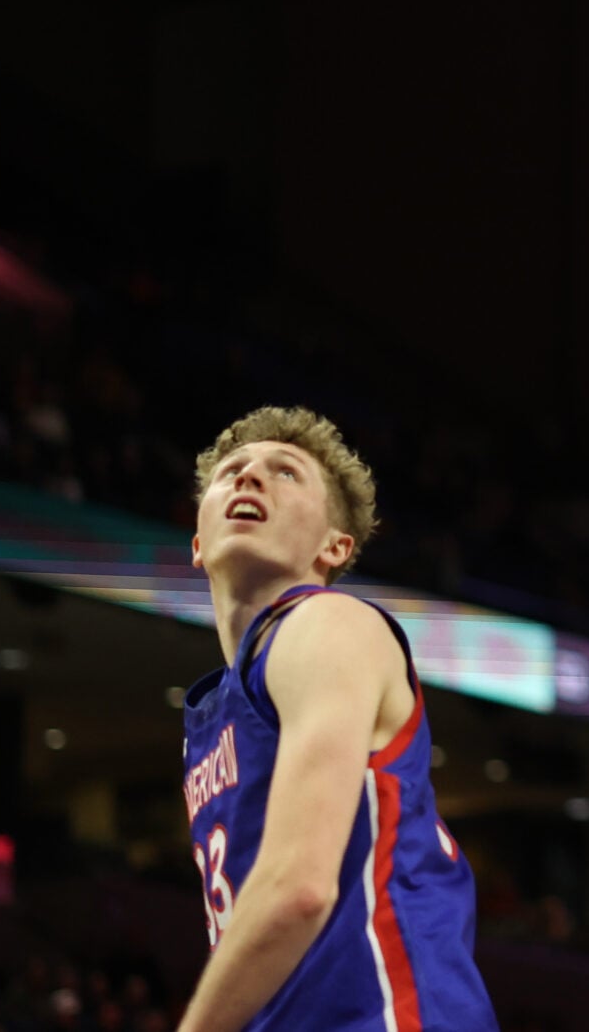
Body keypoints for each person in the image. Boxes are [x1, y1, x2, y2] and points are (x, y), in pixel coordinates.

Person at [176, 407, 497, 1032]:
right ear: (196, 541)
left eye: (285, 472)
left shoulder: (326, 623)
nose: (249, 479)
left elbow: (299, 889)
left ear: (336, 546)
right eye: (233, 472)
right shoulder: (217, 715)